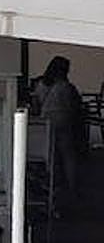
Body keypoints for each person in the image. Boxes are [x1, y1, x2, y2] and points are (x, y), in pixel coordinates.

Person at [32, 56, 86, 219]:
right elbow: (75, 107)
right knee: (68, 156)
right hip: (65, 121)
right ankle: (71, 188)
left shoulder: (42, 85)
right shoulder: (66, 87)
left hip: (46, 123)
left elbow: (37, 104)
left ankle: (52, 186)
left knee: (51, 157)